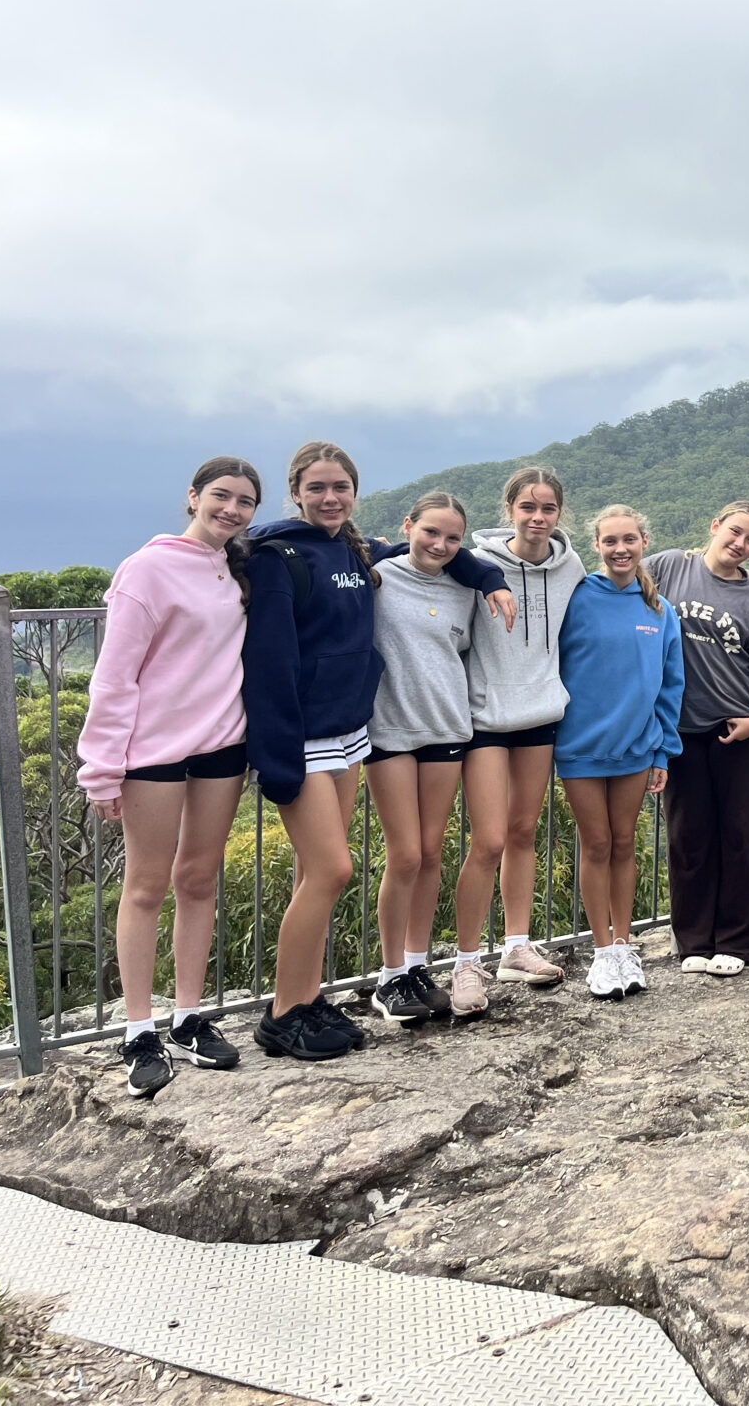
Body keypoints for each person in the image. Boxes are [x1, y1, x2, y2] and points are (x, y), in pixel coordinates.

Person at [242, 443, 512, 1061]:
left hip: (349, 732)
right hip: (305, 738)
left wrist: (490, 577)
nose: (330, 498)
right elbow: (270, 657)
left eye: (341, 487)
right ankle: (283, 1013)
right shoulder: (279, 556)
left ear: (355, 494)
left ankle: (306, 998)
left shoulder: (356, 552)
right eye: (317, 487)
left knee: (318, 873)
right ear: (296, 491)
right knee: (333, 870)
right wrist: (275, 754)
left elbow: (451, 555)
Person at [78, 457, 263, 1097]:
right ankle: (138, 1031)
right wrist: (102, 768)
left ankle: (187, 1018)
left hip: (222, 746)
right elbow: (114, 675)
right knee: (146, 885)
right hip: (152, 752)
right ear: (193, 496)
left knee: (199, 879)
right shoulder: (146, 569)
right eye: (221, 495)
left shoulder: (236, 567)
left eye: (245, 501)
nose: (231, 509)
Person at [453, 466, 585, 1002]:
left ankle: (515, 947)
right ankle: (465, 963)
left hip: (541, 713)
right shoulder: (477, 563)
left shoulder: (570, 565)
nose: (537, 517)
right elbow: (421, 554)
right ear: (508, 510)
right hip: (486, 717)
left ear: (559, 514)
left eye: (548, 508)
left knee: (524, 831)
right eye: (527, 507)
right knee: (488, 841)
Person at [646, 501, 749, 976]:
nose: (740, 543)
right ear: (715, 526)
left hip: (740, 730)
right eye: (735, 531)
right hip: (681, 729)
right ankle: (693, 941)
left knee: (740, 836)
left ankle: (737, 941)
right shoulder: (671, 567)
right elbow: (617, 581)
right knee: (687, 836)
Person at [557, 505, 684, 999]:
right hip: (580, 745)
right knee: (597, 844)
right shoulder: (576, 597)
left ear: (644, 542)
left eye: (629, 539)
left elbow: (671, 686)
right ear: (597, 546)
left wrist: (662, 751)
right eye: (610, 541)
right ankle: (601, 951)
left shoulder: (659, 610)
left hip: (636, 745)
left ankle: (624, 945)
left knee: (625, 843)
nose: (620, 549)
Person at [364, 493, 478, 1026]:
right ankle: (388, 977)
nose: (440, 544)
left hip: (446, 727)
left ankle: (415, 965)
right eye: (431, 531)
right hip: (389, 729)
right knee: (405, 854)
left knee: (431, 853)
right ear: (408, 525)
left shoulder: (465, 590)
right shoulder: (377, 577)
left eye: (452, 537)